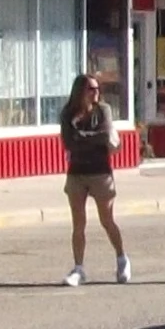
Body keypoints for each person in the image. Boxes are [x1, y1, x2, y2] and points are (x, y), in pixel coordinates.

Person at [58, 73, 129, 286]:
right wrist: (91, 138)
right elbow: (69, 143)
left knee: (106, 220)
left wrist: (83, 137)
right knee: (78, 223)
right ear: (80, 91)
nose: (96, 92)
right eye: (91, 89)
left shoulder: (103, 110)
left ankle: (121, 258)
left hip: (101, 172)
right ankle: (78, 268)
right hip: (77, 173)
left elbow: (105, 135)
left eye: (97, 89)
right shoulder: (68, 113)